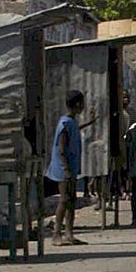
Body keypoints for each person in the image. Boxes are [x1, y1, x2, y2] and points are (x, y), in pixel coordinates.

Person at [46, 89, 87, 246]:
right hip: (64, 168)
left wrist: (90, 122)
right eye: (82, 103)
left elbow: (74, 131)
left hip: (70, 167)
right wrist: (66, 169)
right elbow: (61, 149)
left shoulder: (71, 122)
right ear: (77, 104)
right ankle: (56, 234)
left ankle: (69, 233)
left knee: (71, 200)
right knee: (64, 200)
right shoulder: (65, 123)